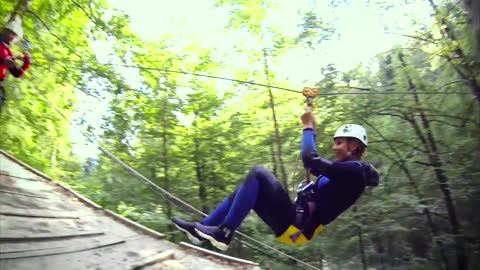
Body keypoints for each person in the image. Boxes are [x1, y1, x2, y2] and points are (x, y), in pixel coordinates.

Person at [173, 110, 379, 251]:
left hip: (297, 227)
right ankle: (203, 229)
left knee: (258, 172)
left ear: (354, 146)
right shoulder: (345, 172)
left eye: (340, 143)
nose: (335, 147)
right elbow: (314, 164)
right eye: (334, 143)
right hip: (294, 224)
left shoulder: (355, 172)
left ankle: (224, 232)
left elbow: (310, 159)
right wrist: (311, 132)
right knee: (247, 188)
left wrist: (308, 127)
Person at [0, 18, 31, 115]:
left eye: (15, 35)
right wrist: (3, 60)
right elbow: (3, 60)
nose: (13, 37)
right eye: (11, 33)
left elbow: (16, 73)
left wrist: (26, 62)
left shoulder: (8, 52)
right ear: (5, 31)